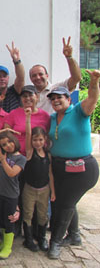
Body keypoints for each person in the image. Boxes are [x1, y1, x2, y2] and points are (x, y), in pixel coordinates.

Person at [46, 74, 100, 259]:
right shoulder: (53, 118)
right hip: (60, 168)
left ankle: (56, 242)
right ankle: (75, 236)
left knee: (64, 204)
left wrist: (93, 83)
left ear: (69, 99)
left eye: (59, 97)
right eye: (53, 99)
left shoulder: (78, 111)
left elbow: (92, 98)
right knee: (68, 201)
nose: (55, 101)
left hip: (82, 169)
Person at [22, 110, 55, 252]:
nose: (37, 142)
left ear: (45, 140)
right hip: (29, 189)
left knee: (42, 214)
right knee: (28, 213)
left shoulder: (48, 155)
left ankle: (41, 238)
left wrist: (52, 190)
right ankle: (28, 239)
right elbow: (28, 134)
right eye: (35, 140)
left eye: (40, 140)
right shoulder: (30, 153)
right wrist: (28, 118)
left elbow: (51, 174)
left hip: (44, 189)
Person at [0, 129, 27, 259]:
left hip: (10, 194)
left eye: (9, 142)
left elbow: (12, 173)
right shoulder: (3, 153)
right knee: (1, 218)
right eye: (4, 144)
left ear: (15, 141)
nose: (7, 146)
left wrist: (3, 161)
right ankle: (3, 242)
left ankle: (8, 247)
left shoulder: (21, 158)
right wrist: (6, 130)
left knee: (9, 220)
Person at [30, 37, 81, 114]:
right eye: (34, 75)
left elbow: (76, 78)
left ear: (47, 76)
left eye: (41, 74)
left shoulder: (58, 88)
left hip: (55, 125)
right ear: (30, 79)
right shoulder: (29, 94)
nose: (37, 77)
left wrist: (69, 57)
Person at [4, 85, 50, 156]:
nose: (28, 98)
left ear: (37, 97)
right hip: (18, 155)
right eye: (24, 96)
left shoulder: (45, 115)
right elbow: (6, 134)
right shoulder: (13, 114)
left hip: (38, 155)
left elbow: (47, 135)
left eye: (30, 95)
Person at [0, 42, 25, 113]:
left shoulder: (14, 91)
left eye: (4, 76)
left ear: (8, 78)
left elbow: (21, 77)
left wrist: (16, 61)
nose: (2, 79)